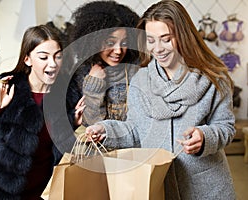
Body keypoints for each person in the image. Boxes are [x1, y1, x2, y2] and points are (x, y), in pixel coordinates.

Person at [86, 0, 236, 199]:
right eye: (151, 40)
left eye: (166, 39)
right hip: (159, 186)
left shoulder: (214, 78)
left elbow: (226, 127)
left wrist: (205, 136)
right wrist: (105, 130)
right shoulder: (140, 80)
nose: (158, 49)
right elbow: (135, 130)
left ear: (183, 36)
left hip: (206, 188)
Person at [0, 24, 85, 199]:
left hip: (46, 192)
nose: (53, 64)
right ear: (27, 59)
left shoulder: (67, 94)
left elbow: (59, 151)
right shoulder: (8, 88)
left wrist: (72, 123)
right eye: (43, 57)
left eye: (58, 56)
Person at [67, 0, 140, 128]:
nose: (118, 51)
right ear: (94, 41)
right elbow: (90, 126)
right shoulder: (81, 72)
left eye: (124, 43)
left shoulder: (137, 70)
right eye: (110, 43)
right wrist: (93, 85)